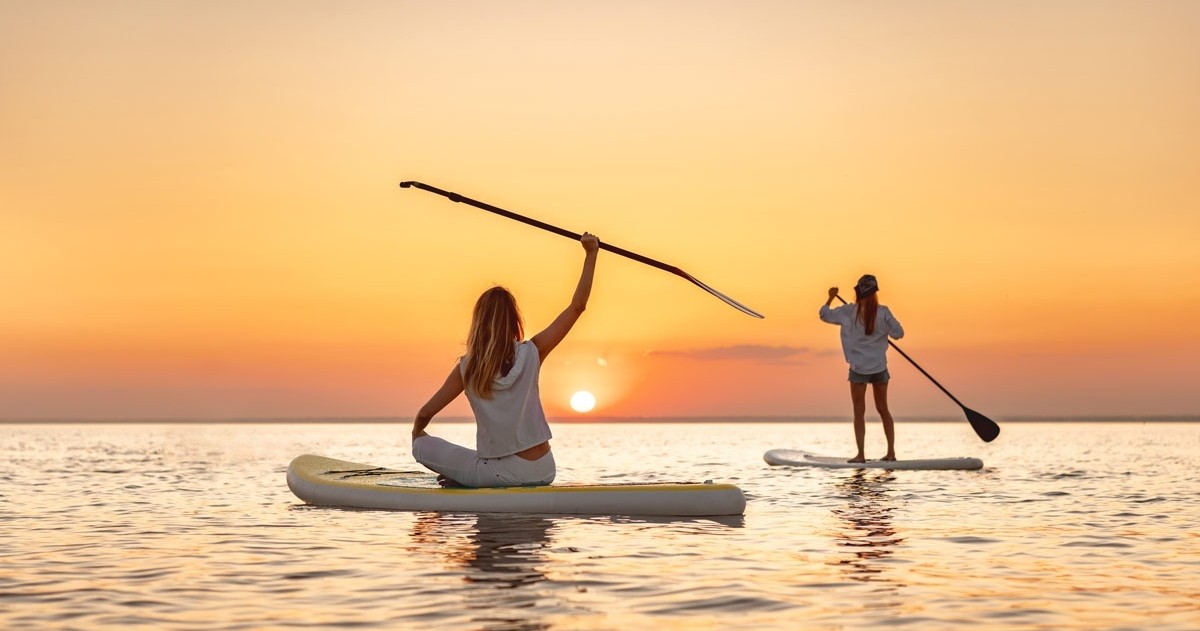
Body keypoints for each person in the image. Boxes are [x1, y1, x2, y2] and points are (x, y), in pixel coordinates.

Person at [411, 233, 600, 487]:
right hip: (544, 470)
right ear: (514, 320)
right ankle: (468, 477)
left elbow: (425, 413)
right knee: (477, 463)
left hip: (501, 474)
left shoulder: (467, 368)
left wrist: (417, 434)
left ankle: (467, 479)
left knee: (422, 446)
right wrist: (591, 255)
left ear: (478, 322)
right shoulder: (533, 352)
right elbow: (577, 307)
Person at [820, 274, 905, 463]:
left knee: (859, 411)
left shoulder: (849, 311)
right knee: (883, 409)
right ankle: (891, 453)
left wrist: (831, 296)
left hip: (858, 369)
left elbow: (824, 314)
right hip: (879, 368)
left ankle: (861, 455)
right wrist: (885, 329)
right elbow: (899, 333)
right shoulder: (883, 312)